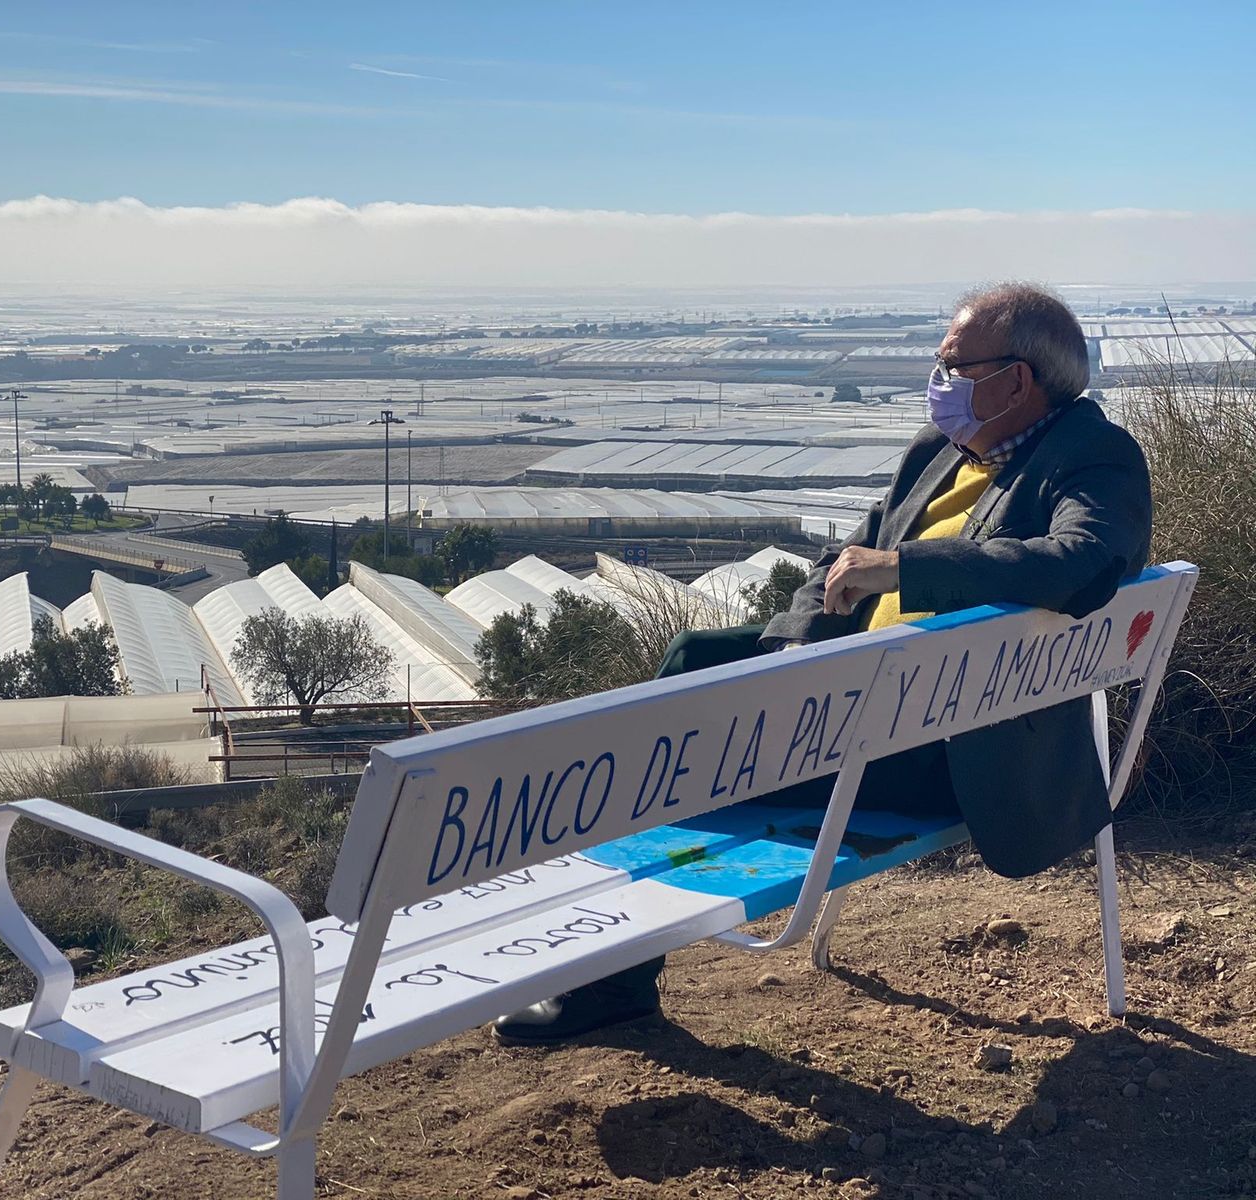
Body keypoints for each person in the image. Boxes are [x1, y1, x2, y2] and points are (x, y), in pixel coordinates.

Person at [493, 281, 1153, 1045]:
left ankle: (612, 984)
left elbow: (1083, 559)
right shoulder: (936, 453)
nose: (938, 382)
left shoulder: (1093, 456)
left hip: (950, 749)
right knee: (690, 663)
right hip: (857, 700)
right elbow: (841, 561)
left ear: (1018, 380)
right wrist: (791, 652)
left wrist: (906, 568)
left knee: (676, 753)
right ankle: (611, 970)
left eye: (954, 365)